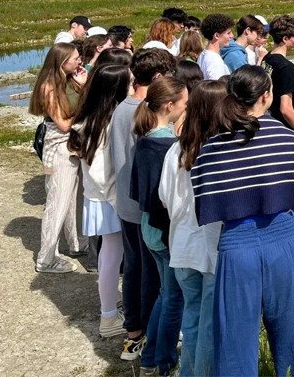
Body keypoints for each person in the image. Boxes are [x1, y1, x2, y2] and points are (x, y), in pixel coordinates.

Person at [191, 66, 294, 377]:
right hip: (286, 237)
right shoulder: (288, 139)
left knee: (234, 340)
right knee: (291, 333)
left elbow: (205, 209)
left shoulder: (210, 149)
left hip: (237, 243)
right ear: (267, 96)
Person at [109, 48, 176, 361]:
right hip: (145, 208)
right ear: (160, 78)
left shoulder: (121, 107)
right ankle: (149, 337)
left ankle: (132, 333)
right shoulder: (147, 114)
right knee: (151, 276)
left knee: (133, 269)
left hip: (124, 201)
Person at [159, 80, 226, 376]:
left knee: (192, 318)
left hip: (182, 244)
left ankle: (188, 372)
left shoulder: (176, 150)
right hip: (211, 249)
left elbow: (164, 199)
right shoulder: (222, 151)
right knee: (210, 326)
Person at [68, 64, 131, 337]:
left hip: (97, 196)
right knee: (113, 255)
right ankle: (108, 317)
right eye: (127, 84)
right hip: (109, 198)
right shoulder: (107, 123)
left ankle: (110, 307)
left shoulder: (89, 117)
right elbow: (104, 172)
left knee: (109, 255)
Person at [131, 77, 188, 377]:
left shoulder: (144, 138)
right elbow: (166, 200)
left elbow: (138, 190)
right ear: (170, 106)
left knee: (165, 294)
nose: (186, 108)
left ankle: (149, 357)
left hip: (147, 227)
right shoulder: (169, 146)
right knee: (173, 298)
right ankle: (164, 361)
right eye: (184, 104)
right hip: (164, 231)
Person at [28, 43, 88, 272]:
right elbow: (63, 124)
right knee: (58, 201)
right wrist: (84, 116)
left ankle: (76, 243)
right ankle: (46, 258)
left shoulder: (71, 80)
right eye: (74, 58)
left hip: (73, 145)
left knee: (75, 197)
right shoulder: (49, 87)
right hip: (59, 146)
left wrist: (82, 87)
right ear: (61, 62)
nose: (79, 61)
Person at [263, 15, 294, 140]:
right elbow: (285, 108)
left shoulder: (267, 58)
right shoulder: (286, 67)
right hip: (287, 128)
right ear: (285, 39)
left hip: (271, 121)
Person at [197, 13, 234, 80]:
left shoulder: (204, 54)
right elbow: (216, 87)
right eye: (228, 33)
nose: (232, 36)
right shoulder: (214, 60)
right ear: (217, 35)